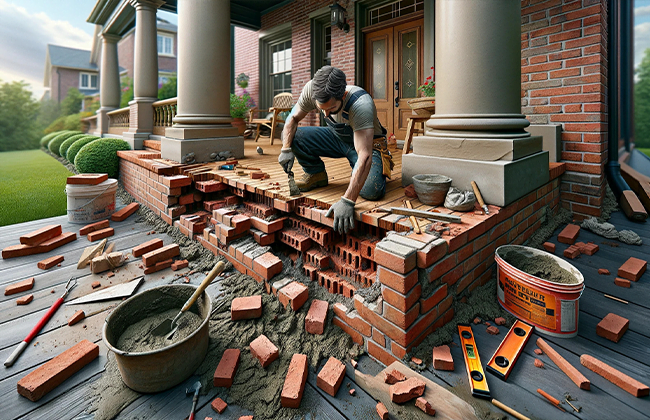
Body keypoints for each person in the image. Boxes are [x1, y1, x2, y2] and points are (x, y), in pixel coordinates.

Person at [278, 66, 394, 234]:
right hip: (337, 138)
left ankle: (371, 170)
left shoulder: (360, 104)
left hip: (367, 146)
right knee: (294, 136)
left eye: (331, 109)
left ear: (343, 95)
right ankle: (315, 174)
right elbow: (292, 118)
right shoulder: (312, 89)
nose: (325, 114)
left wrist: (347, 201)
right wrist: (286, 148)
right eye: (321, 108)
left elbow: (365, 155)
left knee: (371, 190)